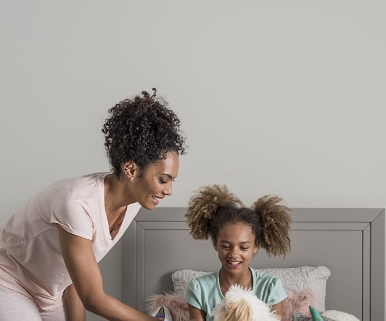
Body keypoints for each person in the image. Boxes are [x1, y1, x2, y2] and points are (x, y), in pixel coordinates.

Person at [0, 89, 187, 321]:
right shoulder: (77, 203)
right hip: (9, 284)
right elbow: (93, 298)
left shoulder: (133, 204)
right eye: (163, 180)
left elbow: (75, 281)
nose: (169, 191)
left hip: (51, 295)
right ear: (131, 169)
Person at [184, 185, 291, 321]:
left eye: (244, 247)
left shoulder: (270, 286)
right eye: (226, 246)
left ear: (256, 246)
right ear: (215, 244)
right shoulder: (199, 288)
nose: (234, 254)